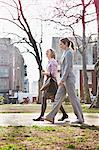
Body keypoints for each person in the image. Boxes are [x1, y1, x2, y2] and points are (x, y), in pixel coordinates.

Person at [45, 38, 84, 124]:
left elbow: (68, 67)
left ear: (66, 43)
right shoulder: (64, 53)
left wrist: (62, 80)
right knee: (58, 97)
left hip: (68, 79)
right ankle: (51, 116)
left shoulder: (69, 53)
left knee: (73, 98)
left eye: (61, 44)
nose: (60, 46)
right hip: (64, 79)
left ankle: (80, 118)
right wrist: (62, 79)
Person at [33, 49, 68, 121]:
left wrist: (45, 73)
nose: (46, 52)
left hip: (51, 82)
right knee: (54, 99)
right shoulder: (49, 62)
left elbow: (53, 74)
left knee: (45, 98)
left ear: (52, 53)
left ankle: (41, 116)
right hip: (49, 82)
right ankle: (64, 114)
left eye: (47, 51)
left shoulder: (53, 62)